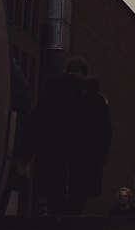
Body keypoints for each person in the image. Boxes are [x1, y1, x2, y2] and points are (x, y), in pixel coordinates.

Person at [33, 55, 112, 215]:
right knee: (67, 203)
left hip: (73, 160)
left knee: (70, 202)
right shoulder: (61, 97)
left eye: (75, 74)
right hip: (68, 160)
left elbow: (104, 132)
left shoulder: (89, 101)